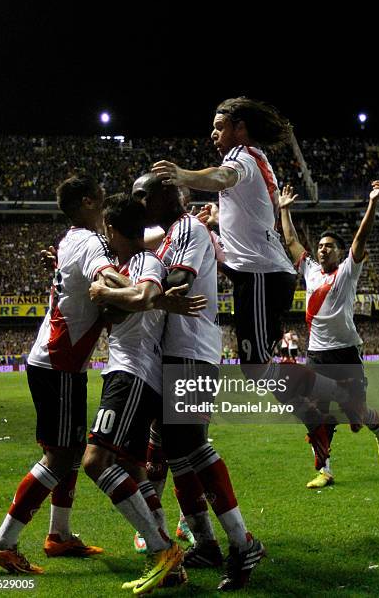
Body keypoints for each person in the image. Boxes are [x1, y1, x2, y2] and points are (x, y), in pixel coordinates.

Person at [132, 173, 266, 592]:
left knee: (191, 444)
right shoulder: (170, 234)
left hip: (192, 350)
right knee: (176, 451)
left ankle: (243, 543)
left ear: (168, 195)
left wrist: (137, 292)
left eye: (143, 195)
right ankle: (207, 542)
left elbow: (179, 282)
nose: (139, 203)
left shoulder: (190, 228)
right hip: (174, 353)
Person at [0, 175, 121, 573]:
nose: (105, 199)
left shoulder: (70, 239)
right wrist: (139, 289)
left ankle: (59, 535)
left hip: (64, 362)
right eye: (100, 194)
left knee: (71, 451)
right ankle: (3, 541)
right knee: (59, 456)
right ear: (88, 200)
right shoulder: (92, 243)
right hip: (58, 361)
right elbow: (103, 279)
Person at [84, 193, 207, 593]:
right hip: (134, 374)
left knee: (95, 462)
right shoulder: (130, 265)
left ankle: (160, 548)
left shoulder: (145, 262)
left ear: (113, 230)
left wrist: (106, 292)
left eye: (107, 230)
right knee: (136, 470)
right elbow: (138, 300)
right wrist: (118, 291)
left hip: (132, 374)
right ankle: (170, 566)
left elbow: (144, 296)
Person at [151, 96, 297, 372]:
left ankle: (331, 395)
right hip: (257, 274)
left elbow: (222, 178)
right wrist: (218, 219)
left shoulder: (241, 155)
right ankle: (318, 408)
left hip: (260, 275)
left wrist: (182, 175)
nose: (213, 134)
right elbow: (255, 211)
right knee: (256, 370)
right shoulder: (256, 159)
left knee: (256, 369)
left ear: (239, 128)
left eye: (220, 127)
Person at [279, 180, 379, 488]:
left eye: (330, 246)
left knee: (357, 417)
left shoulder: (347, 271)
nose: (323, 248)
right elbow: (291, 242)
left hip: (345, 353)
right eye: (321, 245)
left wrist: (372, 203)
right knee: (318, 413)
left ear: (340, 253)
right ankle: (324, 470)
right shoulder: (311, 270)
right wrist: (284, 210)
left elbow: (360, 238)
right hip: (317, 354)